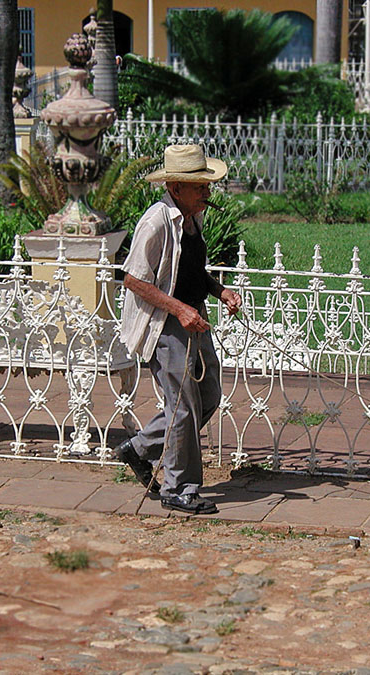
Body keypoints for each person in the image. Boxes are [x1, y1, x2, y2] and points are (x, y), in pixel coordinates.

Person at [117, 144, 242, 515]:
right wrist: (179, 310)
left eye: (206, 185)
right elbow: (133, 279)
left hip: (193, 317)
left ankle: (140, 448)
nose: (207, 192)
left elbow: (189, 271)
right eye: (199, 186)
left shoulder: (191, 218)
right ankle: (178, 488)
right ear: (175, 187)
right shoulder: (156, 222)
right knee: (183, 407)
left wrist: (220, 291)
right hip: (167, 324)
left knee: (207, 397)